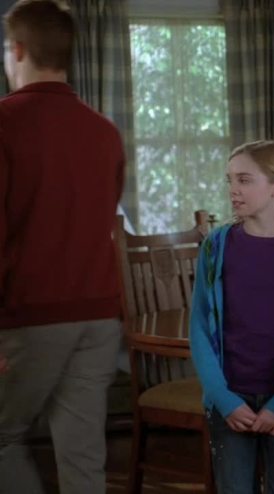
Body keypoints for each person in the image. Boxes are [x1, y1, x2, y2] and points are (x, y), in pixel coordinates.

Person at [0, 1, 126, 493]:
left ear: (17, 50)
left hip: (31, 315)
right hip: (99, 316)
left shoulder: (5, 122)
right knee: (82, 452)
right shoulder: (105, 132)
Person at [190, 140, 274, 494]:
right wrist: (223, 399)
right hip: (230, 400)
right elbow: (200, 328)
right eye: (230, 180)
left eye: (244, 180)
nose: (233, 190)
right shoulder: (216, 246)